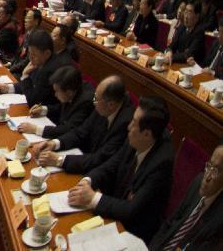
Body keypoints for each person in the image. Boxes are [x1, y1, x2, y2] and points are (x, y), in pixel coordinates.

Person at [67, 97, 174, 243]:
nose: (128, 127)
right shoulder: (136, 138)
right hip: (113, 214)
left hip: (133, 234)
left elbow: (132, 210)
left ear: (147, 134)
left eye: (134, 123)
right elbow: (111, 165)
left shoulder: (162, 164)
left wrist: (92, 198)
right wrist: (87, 181)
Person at [32, 75, 134, 174]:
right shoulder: (103, 107)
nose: (93, 101)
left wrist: (59, 159)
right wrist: (54, 143)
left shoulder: (125, 124)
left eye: (96, 99)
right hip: (85, 161)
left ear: (111, 105)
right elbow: (81, 132)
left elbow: (100, 158)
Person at [149, 142, 223, 250]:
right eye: (209, 166)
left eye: (215, 171)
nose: (207, 177)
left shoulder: (219, 219)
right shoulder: (197, 182)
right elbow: (169, 223)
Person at [0, 30, 73, 107]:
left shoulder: (50, 70)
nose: (30, 58)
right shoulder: (40, 61)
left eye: (34, 55)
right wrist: (8, 88)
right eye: (29, 54)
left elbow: (33, 101)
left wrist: (25, 75)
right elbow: (30, 85)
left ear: (47, 53)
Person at [17, 66, 93, 139]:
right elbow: (62, 107)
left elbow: (69, 129)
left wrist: (35, 129)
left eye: (57, 91)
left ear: (69, 92)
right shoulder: (73, 88)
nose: (55, 95)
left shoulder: (85, 102)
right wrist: (43, 109)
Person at [165, 0, 207, 66]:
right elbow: (172, 45)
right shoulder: (182, 26)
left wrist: (171, 56)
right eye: (186, 11)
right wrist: (169, 52)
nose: (186, 16)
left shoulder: (200, 32)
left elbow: (188, 54)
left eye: (190, 12)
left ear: (197, 16)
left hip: (192, 69)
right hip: (179, 64)